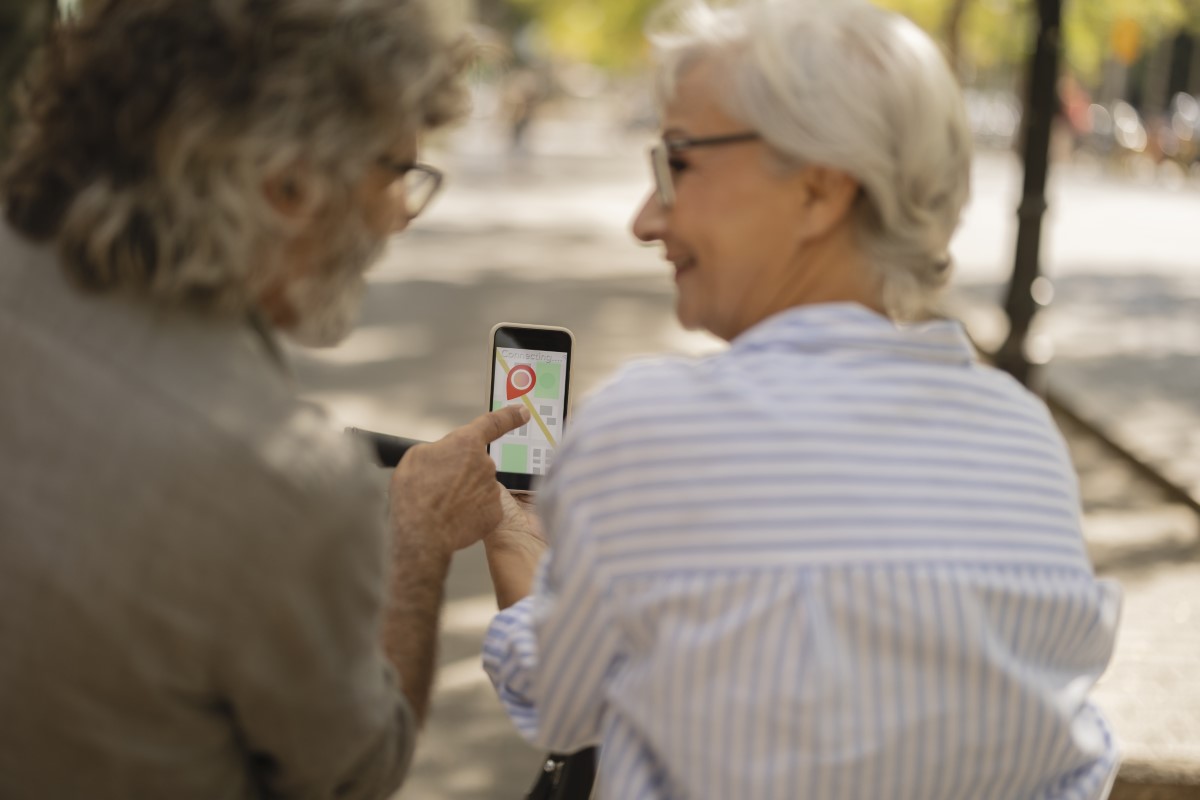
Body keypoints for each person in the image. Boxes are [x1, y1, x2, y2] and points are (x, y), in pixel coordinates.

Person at [473, 0, 1123, 797]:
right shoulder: (1028, 443)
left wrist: (508, 533)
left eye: (677, 163)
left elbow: (559, 705)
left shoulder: (650, 427)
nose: (646, 219)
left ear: (819, 189)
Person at [0, 0, 529, 797]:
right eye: (396, 174)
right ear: (287, 185)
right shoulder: (281, 482)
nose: (401, 217)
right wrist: (414, 546)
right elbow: (356, 773)